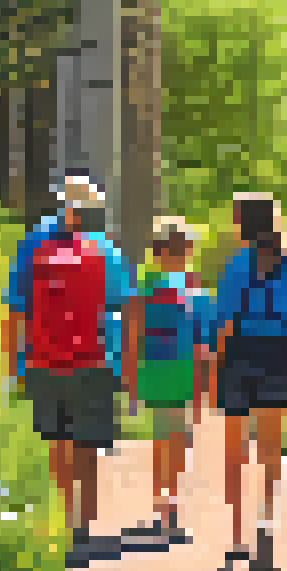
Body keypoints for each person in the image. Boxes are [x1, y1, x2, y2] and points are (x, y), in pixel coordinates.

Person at [2, 174, 132, 563]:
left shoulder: (33, 245)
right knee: (87, 447)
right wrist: (126, 369)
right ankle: (83, 529)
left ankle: (62, 522)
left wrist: (15, 368)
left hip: (42, 360)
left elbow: (15, 310)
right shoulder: (104, 249)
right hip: (93, 360)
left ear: (63, 205)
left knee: (57, 443)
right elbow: (125, 308)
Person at [210, 192, 287, 571]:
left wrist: (213, 369)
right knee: (271, 449)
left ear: (245, 223)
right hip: (276, 357)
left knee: (234, 451)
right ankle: (267, 520)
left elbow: (223, 325)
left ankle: (237, 538)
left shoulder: (237, 266)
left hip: (239, 356)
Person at [121, 216, 207, 547]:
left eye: (184, 248)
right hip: (158, 366)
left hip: (184, 367)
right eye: (178, 248)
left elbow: (202, 335)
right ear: (162, 249)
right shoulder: (145, 283)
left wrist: (204, 379)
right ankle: (165, 506)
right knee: (165, 435)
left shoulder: (192, 283)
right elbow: (133, 334)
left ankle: (169, 503)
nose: (182, 254)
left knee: (180, 438)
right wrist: (131, 382)